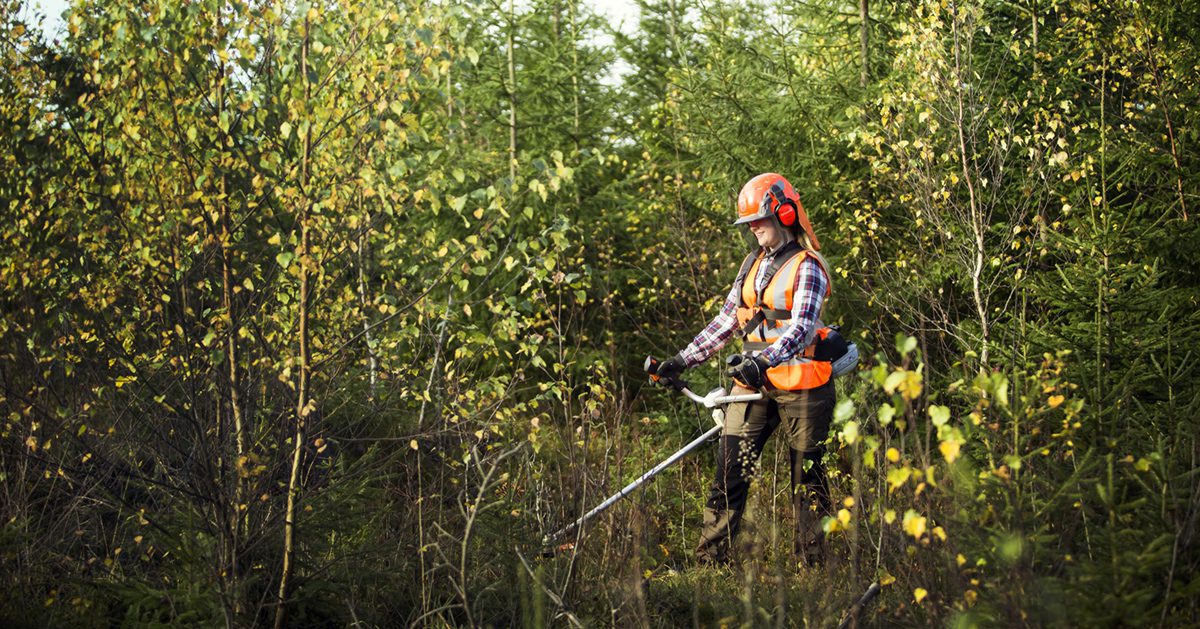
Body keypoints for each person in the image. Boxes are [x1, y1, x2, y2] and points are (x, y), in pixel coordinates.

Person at [650, 172, 837, 567]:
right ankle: (711, 562)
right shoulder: (752, 264)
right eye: (748, 223)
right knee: (731, 471)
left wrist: (764, 360)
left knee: (807, 480)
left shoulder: (808, 266)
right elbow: (727, 321)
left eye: (759, 220)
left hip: (802, 387)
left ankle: (816, 569)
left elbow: (802, 328)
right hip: (753, 385)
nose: (753, 229)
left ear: (784, 214)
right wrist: (683, 359)